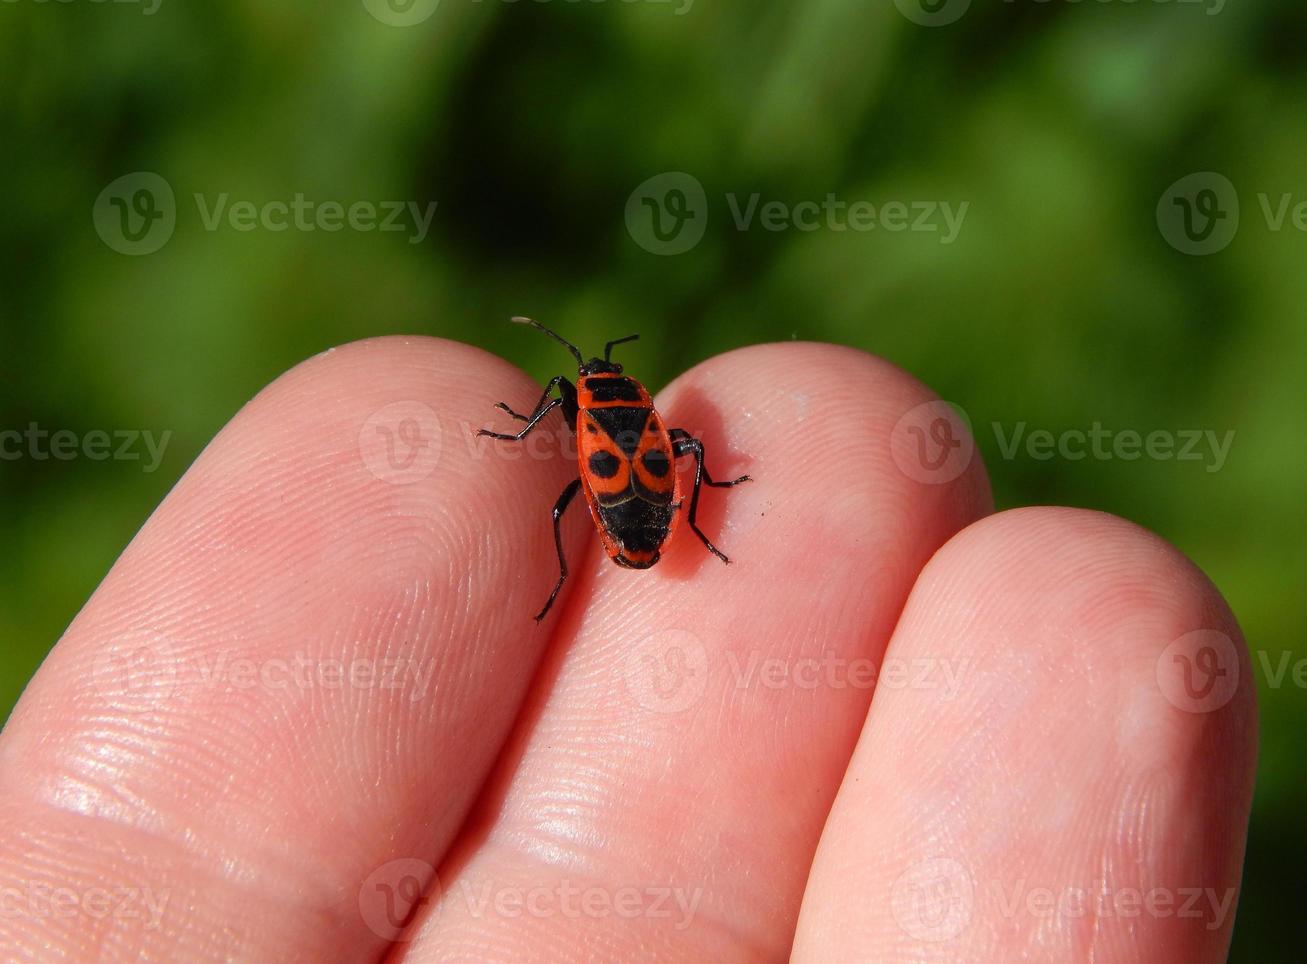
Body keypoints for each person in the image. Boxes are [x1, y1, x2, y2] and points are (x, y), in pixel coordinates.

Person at [0, 337, 1255, 961]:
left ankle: (595, 555)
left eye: (589, 397)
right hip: (654, 517)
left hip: (641, 520)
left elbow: (581, 435)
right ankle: (619, 542)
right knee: (581, 521)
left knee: (571, 522)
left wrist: (595, 469)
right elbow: (628, 442)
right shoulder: (643, 423)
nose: (591, 403)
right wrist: (674, 494)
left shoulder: (613, 423)